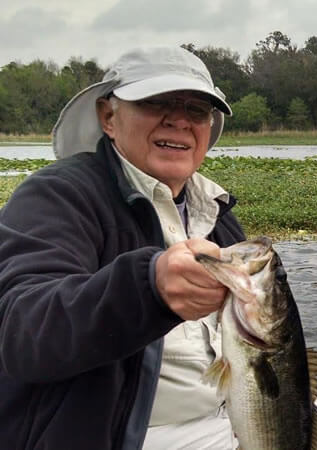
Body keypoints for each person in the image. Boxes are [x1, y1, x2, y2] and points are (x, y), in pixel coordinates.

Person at [0, 46, 244, 449]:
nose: (179, 119)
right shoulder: (58, 196)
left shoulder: (216, 213)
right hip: (122, 437)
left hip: (226, 421)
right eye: (156, 102)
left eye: (197, 109)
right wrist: (149, 287)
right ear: (108, 117)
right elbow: (22, 330)